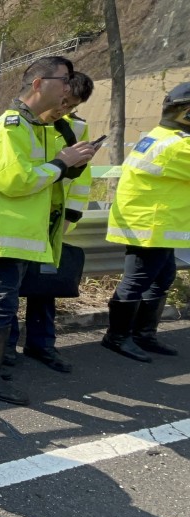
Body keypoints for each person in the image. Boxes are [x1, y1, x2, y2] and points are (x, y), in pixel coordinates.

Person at [0, 56, 97, 406]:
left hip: (20, 235)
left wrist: (67, 168)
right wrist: (61, 163)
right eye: (64, 81)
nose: (68, 89)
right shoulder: (9, 128)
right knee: (0, 306)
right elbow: (16, 181)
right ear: (39, 84)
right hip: (3, 236)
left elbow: (43, 181)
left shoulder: (35, 127)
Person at [100, 82, 190, 361]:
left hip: (157, 224)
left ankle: (143, 334)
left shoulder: (160, 137)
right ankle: (117, 337)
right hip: (149, 225)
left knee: (161, 278)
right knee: (137, 281)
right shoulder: (176, 146)